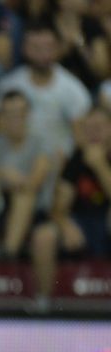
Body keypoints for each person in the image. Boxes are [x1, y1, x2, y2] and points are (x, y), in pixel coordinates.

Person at [29, 105, 111, 306]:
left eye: (100, 126)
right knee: (43, 236)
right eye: (89, 127)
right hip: (82, 223)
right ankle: (44, 302)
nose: (94, 132)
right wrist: (65, 225)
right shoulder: (76, 158)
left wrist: (100, 165)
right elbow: (58, 207)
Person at [0, 91, 53, 260]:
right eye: (9, 114)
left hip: (34, 209)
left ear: (28, 114)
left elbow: (35, 182)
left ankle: (9, 252)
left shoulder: (41, 144)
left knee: (24, 195)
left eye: (19, 113)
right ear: (1, 116)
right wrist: (3, 174)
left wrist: (13, 180)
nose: (15, 118)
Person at [0, 24, 93, 159]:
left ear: (58, 49)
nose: (42, 54)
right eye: (36, 48)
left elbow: (80, 138)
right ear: (24, 48)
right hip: (16, 160)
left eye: (48, 48)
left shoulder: (73, 89)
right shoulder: (8, 85)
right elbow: (0, 129)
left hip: (58, 160)